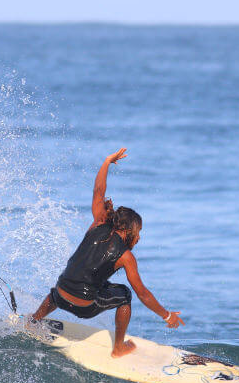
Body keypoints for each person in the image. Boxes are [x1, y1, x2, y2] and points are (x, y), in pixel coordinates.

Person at [30, 148, 184, 357]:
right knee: (125, 295)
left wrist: (106, 162)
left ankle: (34, 320)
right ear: (130, 231)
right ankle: (119, 348)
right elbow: (143, 294)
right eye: (138, 233)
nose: (139, 238)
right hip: (84, 307)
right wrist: (167, 316)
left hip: (59, 295)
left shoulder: (98, 223)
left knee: (70, 279)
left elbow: (98, 192)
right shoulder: (125, 256)